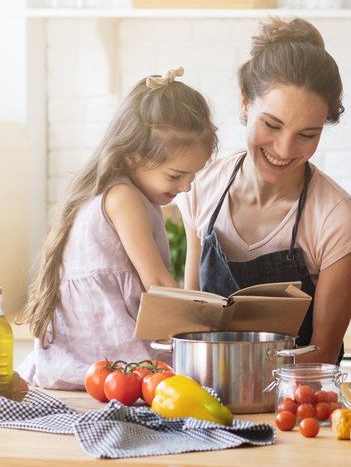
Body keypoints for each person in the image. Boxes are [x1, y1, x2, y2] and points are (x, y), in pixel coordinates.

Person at [177, 17, 351, 366]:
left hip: (295, 403)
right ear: (246, 104)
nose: (283, 148)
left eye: (307, 135)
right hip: (207, 395)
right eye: (272, 125)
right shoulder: (200, 188)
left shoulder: (336, 217)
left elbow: (322, 354)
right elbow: (193, 323)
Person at [18, 67, 218, 389]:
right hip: (109, 358)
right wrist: (204, 327)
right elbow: (156, 282)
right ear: (134, 158)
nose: (186, 187)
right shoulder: (124, 197)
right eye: (176, 175)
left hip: (83, 361)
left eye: (192, 175)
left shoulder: (117, 191)